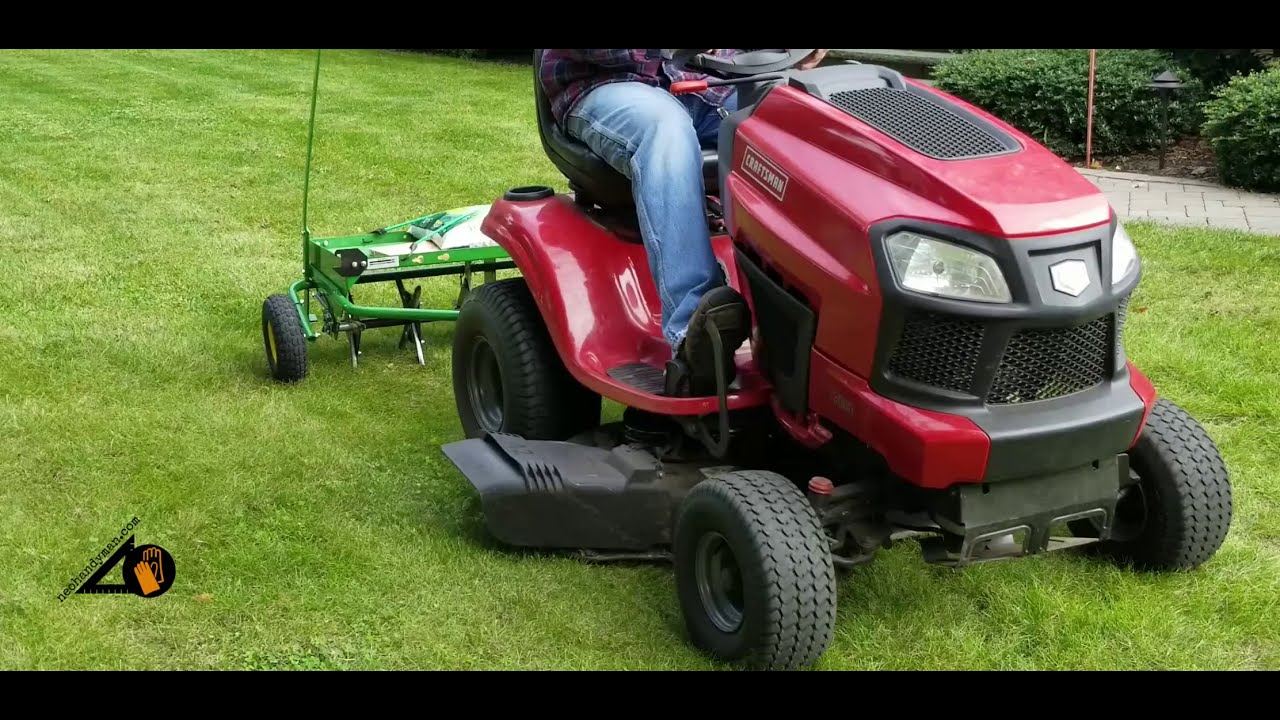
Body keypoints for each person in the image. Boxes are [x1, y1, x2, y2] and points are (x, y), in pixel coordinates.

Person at [538, 49, 828, 396]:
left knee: (802, 121)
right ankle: (697, 332)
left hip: (704, 87)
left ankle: (815, 326)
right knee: (666, 131)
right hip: (607, 86)